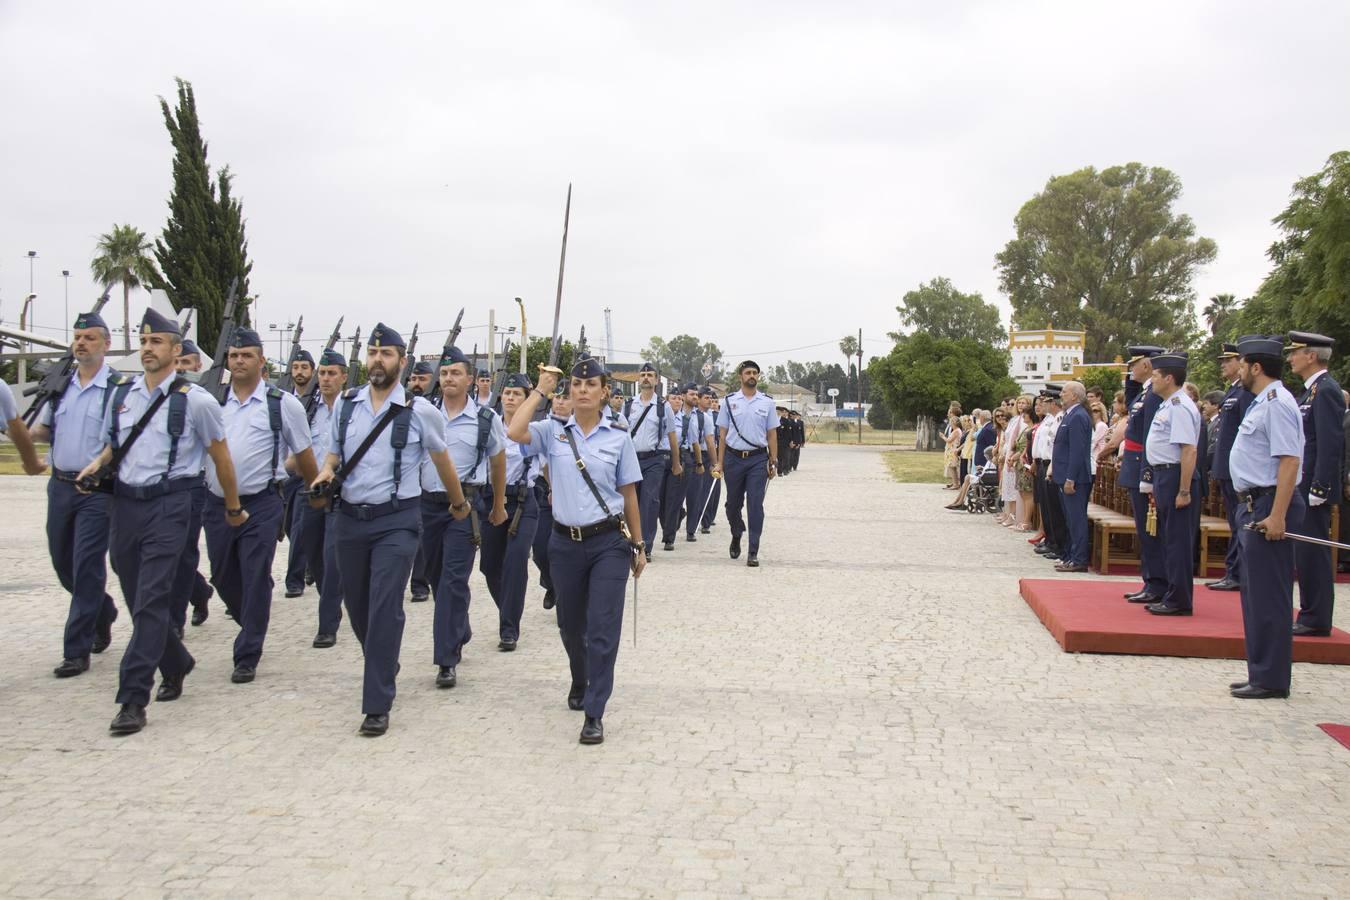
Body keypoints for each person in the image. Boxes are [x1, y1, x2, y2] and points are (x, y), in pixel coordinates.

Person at [75, 309, 244, 736]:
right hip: (127, 506)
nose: (148, 349)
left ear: (175, 349)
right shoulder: (123, 395)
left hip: (172, 505)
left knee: (152, 600)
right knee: (135, 597)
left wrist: (232, 505)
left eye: (157, 343)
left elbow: (221, 458)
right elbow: (116, 446)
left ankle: (133, 697)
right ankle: (176, 660)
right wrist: (95, 465)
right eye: (144, 342)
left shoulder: (196, 400)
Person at [308, 323, 469, 737]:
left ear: (402, 360)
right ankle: (383, 659)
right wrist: (324, 474)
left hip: (397, 521)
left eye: (387, 354)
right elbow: (331, 457)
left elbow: (442, 461)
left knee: (383, 605)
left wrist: (458, 504)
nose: (378, 361)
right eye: (373, 354)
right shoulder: (345, 406)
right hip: (349, 519)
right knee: (357, 607)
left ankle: (377, 702)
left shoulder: (420, 412)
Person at [507, 357, 645, 745]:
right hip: (564, 543)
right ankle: (579, 675)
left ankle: (595, 710)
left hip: (609, 545)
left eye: (591, 385)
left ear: (604, 392)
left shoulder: (618, 437)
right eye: (575, 385)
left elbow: (629, 493)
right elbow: (515, 430)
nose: (582, 390)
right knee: (570, 626)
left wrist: (639, 544)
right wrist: (540, 390)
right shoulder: (554, 433)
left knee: (602, 628)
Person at [201, 328, 318, 683]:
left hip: (262, 501)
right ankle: (252, 617)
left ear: (261, 360)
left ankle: (248, 650)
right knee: (222, 575)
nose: (238, 361)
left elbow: (304, 453)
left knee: (254, 574)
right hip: (216, 501)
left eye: (246, 355)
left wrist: (316, 492)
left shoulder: (282, 404)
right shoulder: (211, 400)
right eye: (234, 355)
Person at [28, 311, 121, 677]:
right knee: (62, 563)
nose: (81, 343)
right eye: (78, 337)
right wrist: (18, 431)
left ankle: (76, 649)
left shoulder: (116, 389)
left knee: (86, 565)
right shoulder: (61, 385)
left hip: (96, 490)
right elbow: (44, 431)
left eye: (90, 337)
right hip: (61, 486)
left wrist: (99, 463)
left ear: (106, 344)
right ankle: (104, 610)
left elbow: (120, 439)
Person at [420, 345, 507, 687]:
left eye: (456, 373)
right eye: (444, 373)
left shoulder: (486, 420)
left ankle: (445, 659)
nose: (449, 379)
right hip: (427, 506)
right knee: (435, 576)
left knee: (454, 578)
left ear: (470, 379)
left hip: (466, 508)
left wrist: (499, 505)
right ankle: (458, 626)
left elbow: (498, 464)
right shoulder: (425, 414)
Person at [1228, 335, 1306, 699]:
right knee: (1254, 593)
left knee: (1270, 595)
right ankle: (1260, 670)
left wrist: (1277, 515)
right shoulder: (1262, 402)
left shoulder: (1277, 403)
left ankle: (1271, 678)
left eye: (1241, 363)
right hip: (1254, 502)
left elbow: (1289, 460)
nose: (1238, 369)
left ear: (1255, 367)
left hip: (1270, 503)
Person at [1284, 331, 1346, 636]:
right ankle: (1310, 612)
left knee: (1313, 553)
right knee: (1304, 552)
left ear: (1311, 356)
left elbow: (1329, 443)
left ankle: (1316, 617)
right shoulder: (1310, 392)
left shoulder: (1326, 390)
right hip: (1303, 483)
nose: (1290, 358)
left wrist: (1320, 486)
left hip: (1313, 487)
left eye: (1295, 353)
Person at [1098, 346, 1166, 604]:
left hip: (1142, 465)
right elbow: (1130, 403)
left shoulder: (1154, 395)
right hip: (1135, 464)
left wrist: (1147, 474)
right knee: (1144, 530)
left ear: (1147, 365)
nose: (1130, 369)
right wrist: (1130, 379)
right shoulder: (1144, 393)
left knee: (1150, 532)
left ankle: (1157, 583)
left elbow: (1150, 436)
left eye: (1134, 364)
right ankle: (1150, 581)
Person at [478, 372, 539, 651]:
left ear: (528, 401)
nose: (511, 398)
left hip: (523, 502)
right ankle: (508, 608)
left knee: (515, 562)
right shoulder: (487, 426)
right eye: (508, 393)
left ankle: (509, 627)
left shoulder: (535, 431)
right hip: (491, 499)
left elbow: (552, 465)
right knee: (489, 565)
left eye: (518, 395)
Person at [1141, 352, 1202, 616]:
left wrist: (1184, 490)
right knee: (1168, 539)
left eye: (1155, 375)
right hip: (1164, 475)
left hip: (1177, 476)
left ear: (1169, 378)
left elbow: (1189, 450)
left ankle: (1180, 599)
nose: (1151, 379)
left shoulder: (1180, 406)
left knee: (1178, 541)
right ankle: (1171, 592)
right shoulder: (1167, 404)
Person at [300, 348, 348, 648]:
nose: (326, 379)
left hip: (340, 493)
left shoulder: (352, 407)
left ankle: (327, 622)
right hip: (311, 490)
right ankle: (329, 598)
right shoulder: (308, 408)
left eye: (332, 373)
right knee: (311, 551)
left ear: (344, 376)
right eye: (322, 373)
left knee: (332, 557)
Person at [714, 360, 780, 567]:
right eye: (748, 372)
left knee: (755, 504)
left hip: (757, 459)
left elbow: (771, 434)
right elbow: (722, 435)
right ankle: (736, 532)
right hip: (733, 458)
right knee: (732, 505)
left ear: (758, 377)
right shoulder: (728, 401)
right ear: (740, 377)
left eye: (755, 373)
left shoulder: (767, 402)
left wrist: (773, 460)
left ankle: (753, 550)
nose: (752, 375)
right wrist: (719, 463)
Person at [1204, 344, 1253, 593]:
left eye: (1228, 360)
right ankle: (1233, 570)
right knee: (1234, 522)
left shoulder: (1246, 392)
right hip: (1226, 466)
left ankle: (1236, 572)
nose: (1223, 364)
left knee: (1239, 521)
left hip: (1236, 469)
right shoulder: (1234, 390)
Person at [623, 363, 677, 560]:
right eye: (643, 374)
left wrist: (676, 463)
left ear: (656, 380)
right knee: (630, 501)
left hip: (654, 460)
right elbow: (621, 434)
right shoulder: (629, 405)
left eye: (650, 375)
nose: (646, 378)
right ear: (639, 379)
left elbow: (672, 437)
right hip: (631, 459)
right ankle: (630, 540)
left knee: (649, 501)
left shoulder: (664, 407)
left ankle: (646, 544)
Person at [282, 348, 318, 599]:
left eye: (304, 367)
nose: (300, 372)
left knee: (299, 526)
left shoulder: (319, 400)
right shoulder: (283, 400)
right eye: (296, 367)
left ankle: (294, 579)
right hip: (287, 473)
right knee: (287, 525)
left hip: (311, 472)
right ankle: (311, 564)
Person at [532, 385, 571, 610]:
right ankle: (552, 583)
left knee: (564, 547)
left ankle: (566, 589)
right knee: (539, 548)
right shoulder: (543, 425)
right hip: (542, 488)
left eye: (565, 398)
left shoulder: (577, 427)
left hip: (567, 489)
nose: (560, 402)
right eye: (557, 398)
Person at [1052, 382, 1093, 572]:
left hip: (1074, 478)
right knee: (1070, 519)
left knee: (1076, 520)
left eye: (1065, 392)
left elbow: (1077, 451)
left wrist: (1070, 478)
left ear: (1075, 396)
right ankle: (1071, 556)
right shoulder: (1071, 414)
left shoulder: (1078, 416)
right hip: (1065, 475)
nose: (1061, 394)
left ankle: (1079, 559)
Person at [404, 360, 436, 602]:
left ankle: (420, 582)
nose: (416, 384)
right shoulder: (405, 405)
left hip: (432, 480)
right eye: (413, 379)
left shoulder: (434, 408)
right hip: (409, 480)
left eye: (422, 379)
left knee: (425, 534)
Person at [1032, 389, 1067, 561]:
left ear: (1053, 403)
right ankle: (1051, 540)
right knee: (1046, 506)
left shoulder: (1059, 419)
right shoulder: (1048, 420)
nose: (1043, 404)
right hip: (1043, 463)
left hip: (1052, 465)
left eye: (1046, 401)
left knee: (1054, 508)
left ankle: (1057, 543)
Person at [700, 394, 723, 533]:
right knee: (699, 490)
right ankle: (700, 517)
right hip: (700, 453)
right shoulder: (697, 414)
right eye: (710, 400)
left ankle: (707, 519)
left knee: (713, 489)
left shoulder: (717, 417)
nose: (712, 403)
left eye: (715, 401)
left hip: (714, 454)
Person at [942, 414, 963, 489]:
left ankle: (955, 484)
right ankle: (955, 483)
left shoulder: (956, 431)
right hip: (951, 450)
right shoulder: (956, 430)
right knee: (952, 467)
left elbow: (949, 440)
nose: (950, 424)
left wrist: (943, 437)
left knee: (952, 467)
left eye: (951, 422)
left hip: (953, 451)